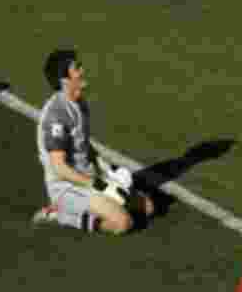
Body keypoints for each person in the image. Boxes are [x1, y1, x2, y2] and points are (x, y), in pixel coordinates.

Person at [32, 49, 155, 233]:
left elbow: (82, 144)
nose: (82, 71)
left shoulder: (80, 103)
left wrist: (107, 168)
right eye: (77, 68)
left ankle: (99, 205)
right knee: (123, 223)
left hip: (89, 177)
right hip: (67, 187)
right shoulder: (56, 116)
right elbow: (60, 167)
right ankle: (60, 214)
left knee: (148, 207)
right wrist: (97, 184)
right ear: (65, 80)